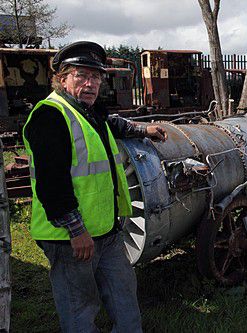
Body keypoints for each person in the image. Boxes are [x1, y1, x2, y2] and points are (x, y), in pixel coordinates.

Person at [22, 41, 167, 332]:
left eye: (96, 77)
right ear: (62, 78)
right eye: (81, 76)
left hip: (106, 231)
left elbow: (109, 123)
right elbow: (52, 184)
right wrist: (77, 231)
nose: (91, 84)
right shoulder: (49, 115)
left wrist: (142, 130)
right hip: (70, 237)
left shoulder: (87, 111)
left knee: (123, 291)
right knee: (80, 306)